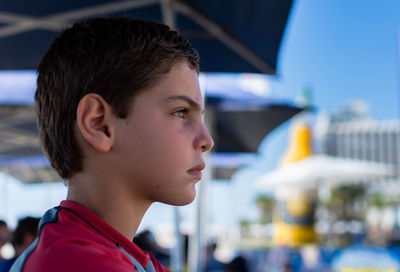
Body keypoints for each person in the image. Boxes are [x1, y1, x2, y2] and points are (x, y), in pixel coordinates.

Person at [10, 17, 213, 272]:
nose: (207, 140)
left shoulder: (111, 251)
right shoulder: (78, 263)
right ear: (99, 124)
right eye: (181, 112)